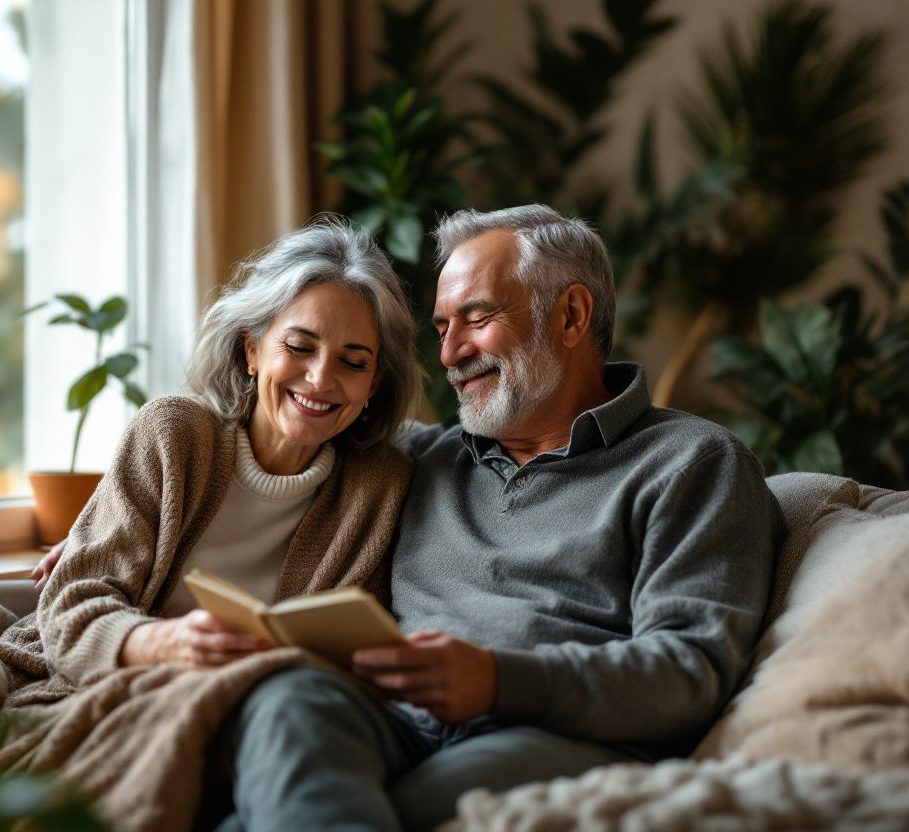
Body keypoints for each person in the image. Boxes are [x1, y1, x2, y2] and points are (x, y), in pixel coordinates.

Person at [214, 205, 787, 832]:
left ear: (571, 315)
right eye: (441, 327)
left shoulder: (693, 463)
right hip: (395, 722)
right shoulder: (417, 459)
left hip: (557, 736)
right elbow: (290, 420)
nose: (451, 352)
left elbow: (690, 672)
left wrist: (497, 681)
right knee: (286, 702)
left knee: (376, 812)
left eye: (477, 318)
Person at [0, 219, 420, 829]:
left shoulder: (382, 487)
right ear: (252, 348)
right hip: (114, 693)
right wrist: (163, 642)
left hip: (262, 723)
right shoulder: (173, 436)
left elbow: (356, 655)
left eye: (353, 362)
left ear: (373, 385)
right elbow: (73, 603)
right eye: (298, 347)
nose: (321, 379)